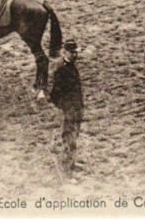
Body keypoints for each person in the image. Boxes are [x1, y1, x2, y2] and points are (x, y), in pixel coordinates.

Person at [50, 39, 84, 184]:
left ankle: (71, 164)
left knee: (74, 136)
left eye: (76, 52)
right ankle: (67, 174)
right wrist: (66, 109)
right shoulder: (61, 70)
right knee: (69, 141)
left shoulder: (71, 66)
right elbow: (54, 95)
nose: (75, 55)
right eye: (72, 52)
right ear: (65, 52)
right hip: (69, 110)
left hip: (77, 109)